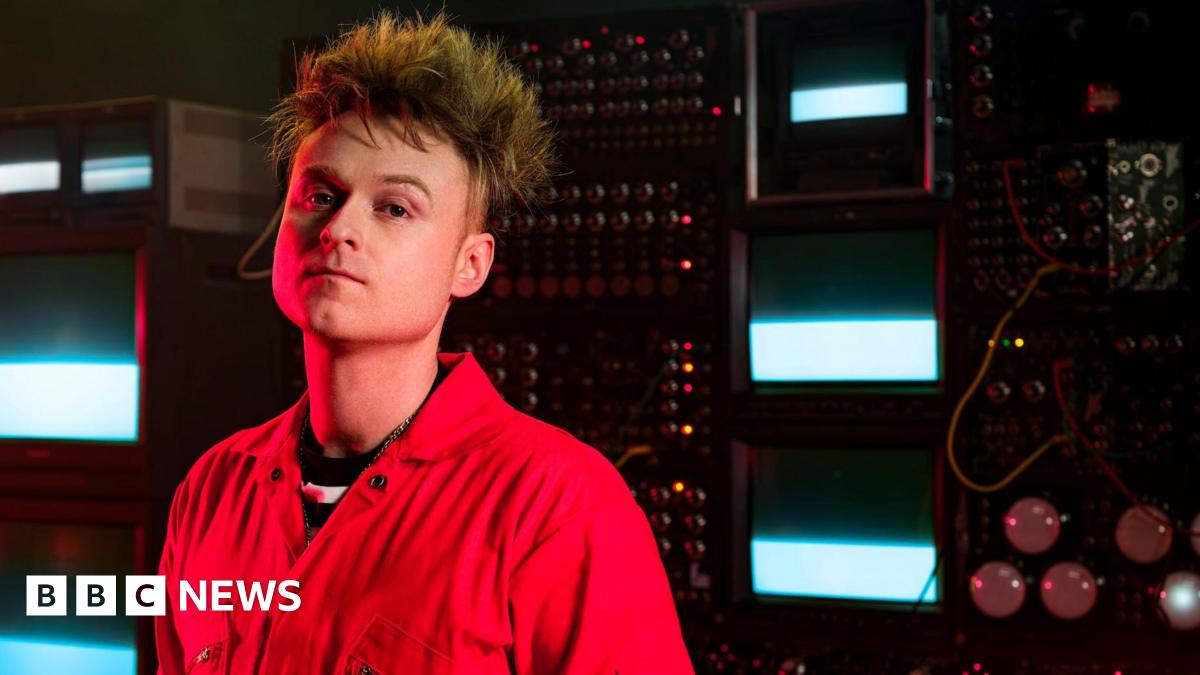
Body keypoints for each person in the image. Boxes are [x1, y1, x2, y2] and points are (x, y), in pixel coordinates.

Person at [153, 9, 694, 675]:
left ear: (470, 264)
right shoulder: (211, 490)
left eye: (394, 207)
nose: (338, 228)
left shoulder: (558, 505)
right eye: (320, 196)